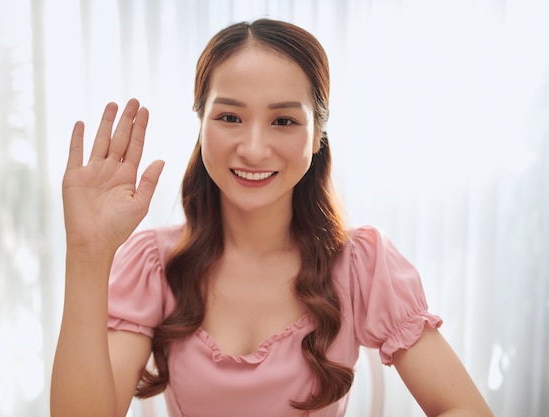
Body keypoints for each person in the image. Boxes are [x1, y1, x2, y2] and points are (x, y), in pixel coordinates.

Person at [50, 18, 493, 417]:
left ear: (317, 135)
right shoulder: (155, 262)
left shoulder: (361, 263)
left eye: (283, 121)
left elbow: (463, 407)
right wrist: (88, 253)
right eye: (229, 117)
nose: (255, 148)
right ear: (201, 124)